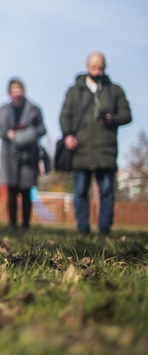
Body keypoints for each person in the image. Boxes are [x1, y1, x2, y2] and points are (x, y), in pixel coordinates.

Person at [60, 52, 131, 235]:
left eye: (100, 68)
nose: (97, 71)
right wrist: (68, 135)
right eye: (93, 67)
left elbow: (127, 115)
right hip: (81, 148)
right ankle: (83, 228)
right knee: (80, 190)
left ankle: (104, 229)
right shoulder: (75, 91)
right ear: (87, 66)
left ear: (105, 67)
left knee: (106, 191)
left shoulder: (114, 90)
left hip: (105, 148)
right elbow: (64, 115)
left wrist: (112, 118)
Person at [0, 78, 46, 230]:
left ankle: (26, 224)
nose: (17, 93)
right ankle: (12, 224)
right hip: (10, 153)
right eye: (14, 90)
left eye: (19, 90)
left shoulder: (34, 109)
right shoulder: (3, 109)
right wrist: (7, 133)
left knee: (26, 190)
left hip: (28, 154)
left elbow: (42, 129)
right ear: (9, 92)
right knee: (12, 190)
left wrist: (28, 134)